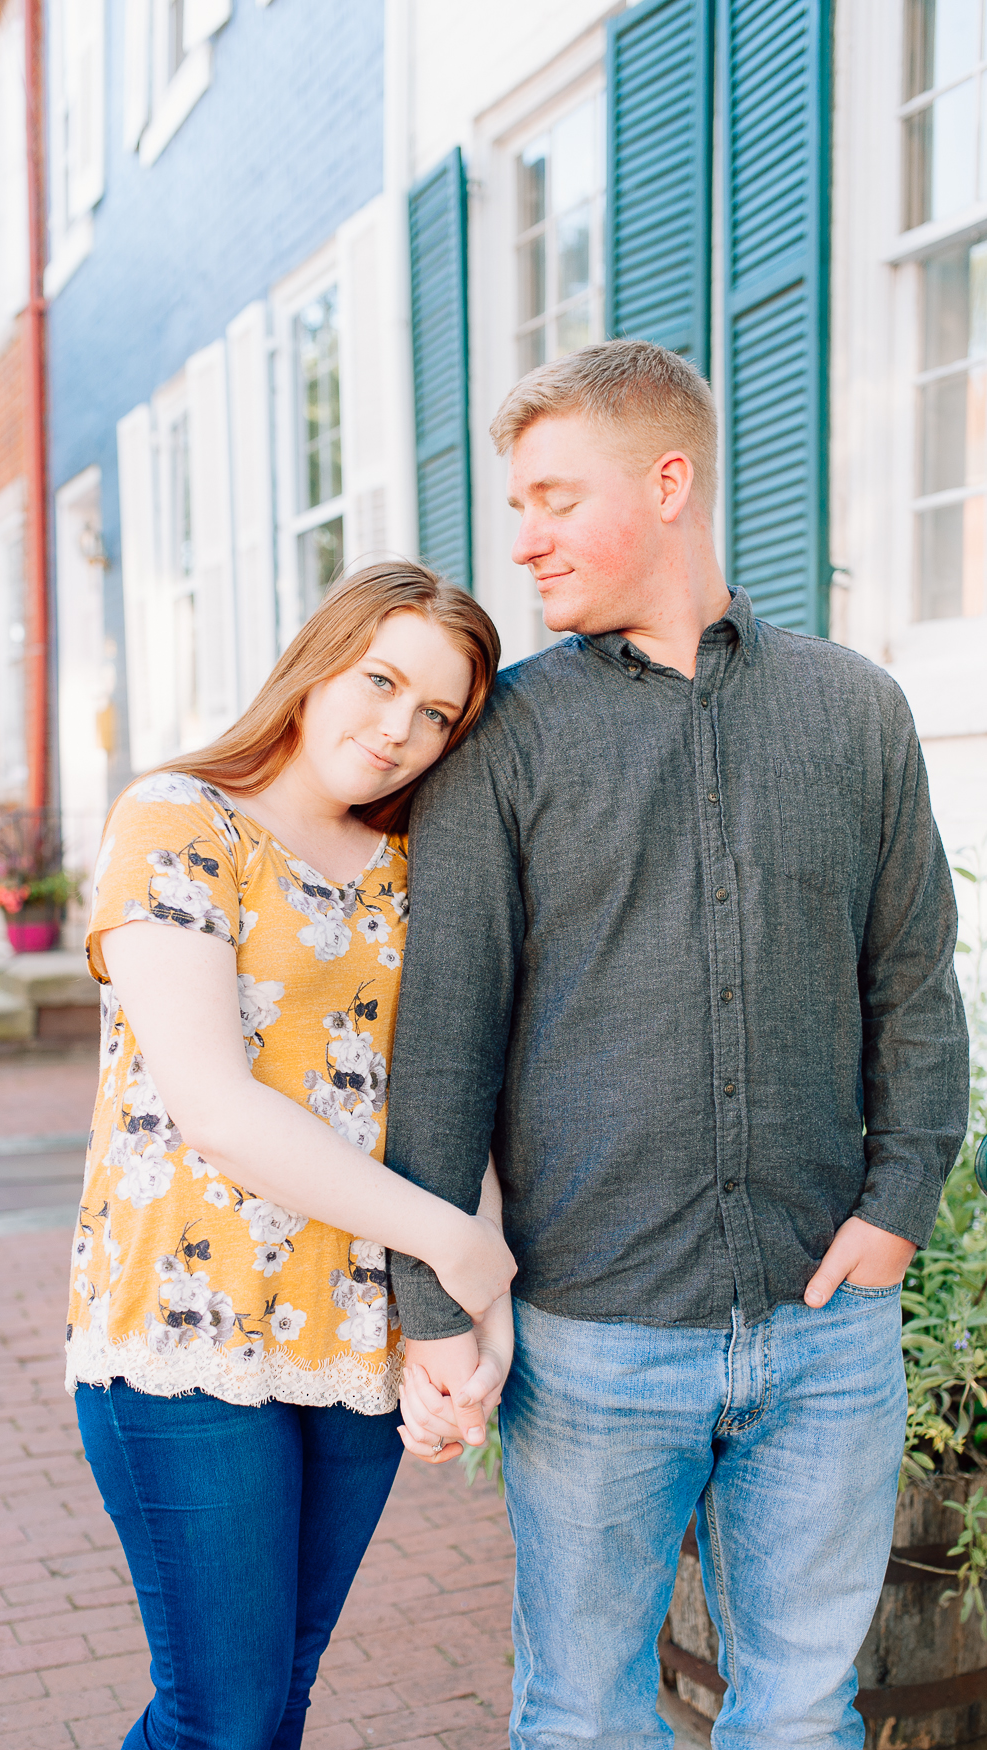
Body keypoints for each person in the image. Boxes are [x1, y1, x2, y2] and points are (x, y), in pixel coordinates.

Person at [385, 341, 970, 1747]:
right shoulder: (504, 736)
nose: (519, 539)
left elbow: (914, 987)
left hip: (826, 1331)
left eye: (551, 497)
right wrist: (427, 1309)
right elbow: (446, 1038)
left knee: (798, 1713)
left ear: (667, 480)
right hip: (594, 1341)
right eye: (513, 503)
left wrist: (896, 1214)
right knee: (584, 1714)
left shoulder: (854, 708)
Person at [65, 561, 516, 1750]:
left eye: (436, 716)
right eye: (381, 681)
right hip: (183, 1329)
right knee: (217, 1716)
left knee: (279, 1700)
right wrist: (451, 1240)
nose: (398, 730)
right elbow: (212, 1101)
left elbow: (446, 1088)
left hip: (350, 1336)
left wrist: (473, 1312)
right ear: (318, 658)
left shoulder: (418, 867)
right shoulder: (177, 818)